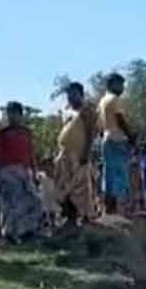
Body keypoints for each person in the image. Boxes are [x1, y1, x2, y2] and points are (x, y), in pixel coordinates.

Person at [0, 102, 42, 242]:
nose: (11, 117)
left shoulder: (26, 133)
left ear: (21, 115)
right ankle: (9, 233)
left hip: (25, 171)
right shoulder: (2, 134)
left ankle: (27, 231)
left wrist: (35, 171)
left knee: (33, 201)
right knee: (11, 203)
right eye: (9, 113)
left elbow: (31, 154)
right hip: (7, 171)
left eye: (14, 113)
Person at [53, 82, 96, 227]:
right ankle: (69, 218)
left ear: (81, 94)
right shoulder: (67, 111)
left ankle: (85, 218)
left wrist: (86, 152)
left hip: (79, 155)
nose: (70, 97)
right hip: (64, 155)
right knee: (63, 188)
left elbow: (90, 132)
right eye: (68, 94)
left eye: (73, 93)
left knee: (81, 188)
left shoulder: (87, 110)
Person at [97, 73, 135, 215]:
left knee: (109, 176)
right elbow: (120, 120)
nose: (122, 88)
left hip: (106, 140)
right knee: (120, 174)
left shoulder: (102, 101)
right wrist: (131, 136)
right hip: (117, 140)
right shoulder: (115, 99)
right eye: (120, 84)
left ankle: (109, 210)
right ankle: (119, 211)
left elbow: (99, 126)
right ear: (112, 84)